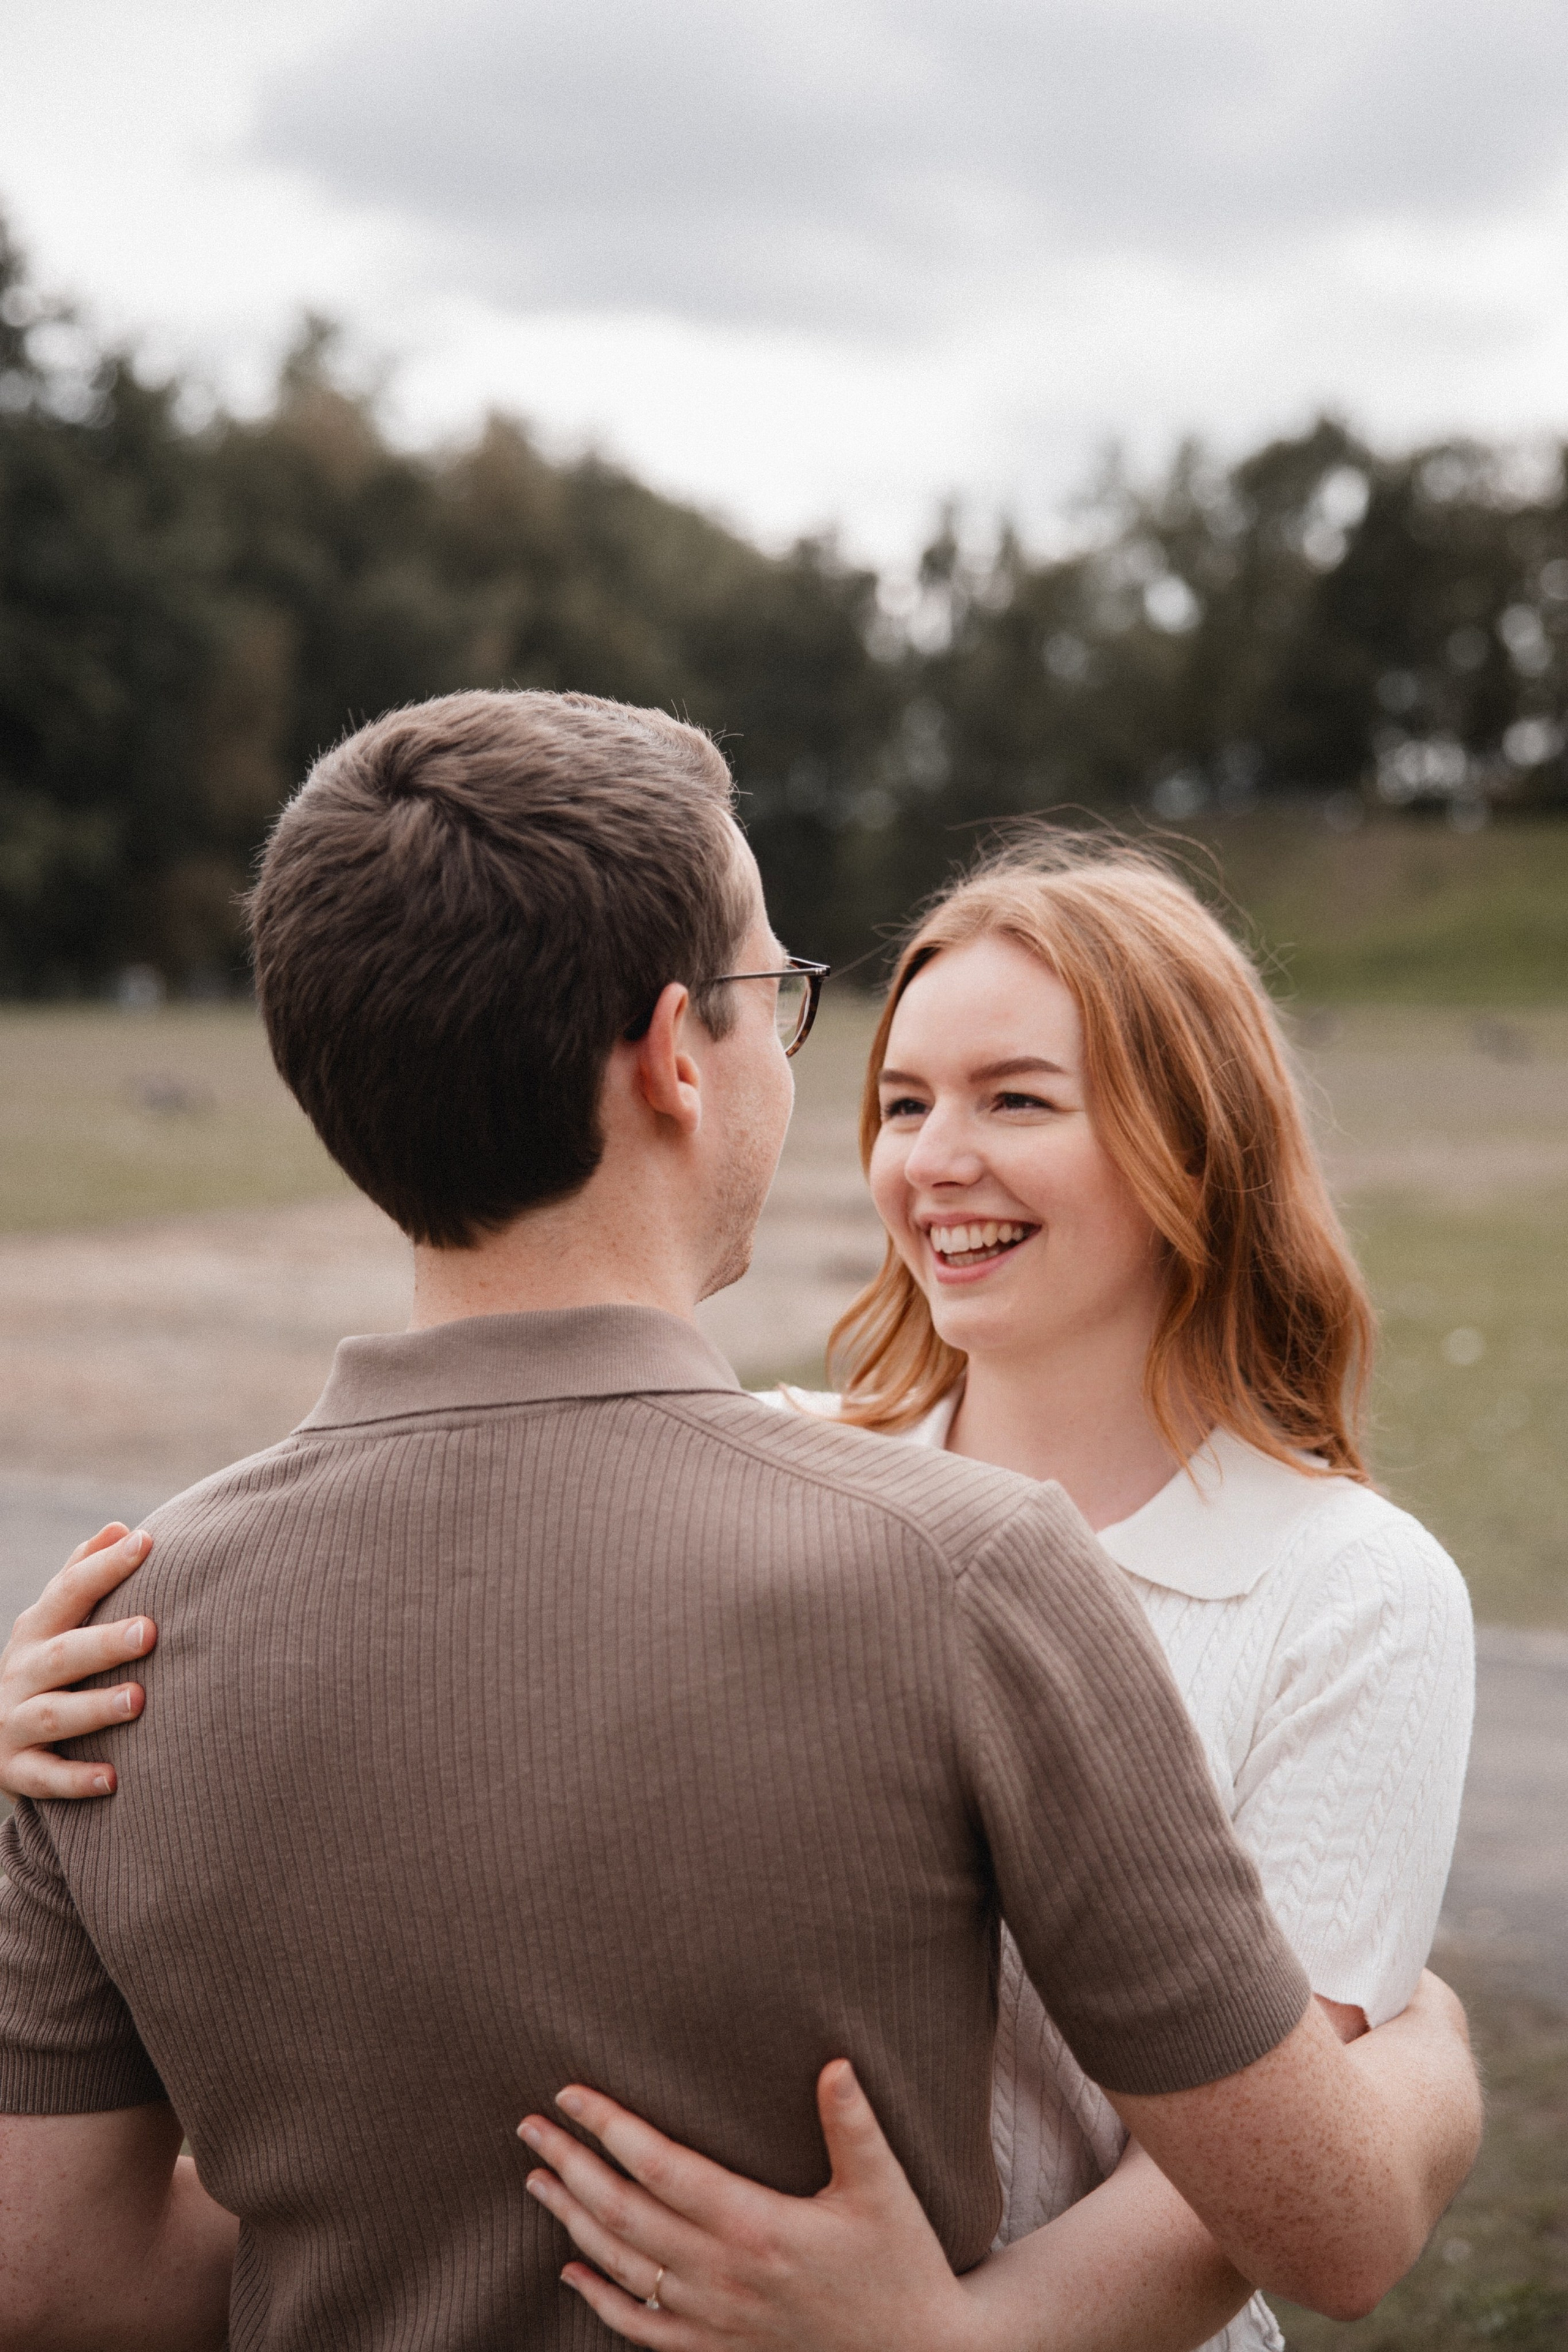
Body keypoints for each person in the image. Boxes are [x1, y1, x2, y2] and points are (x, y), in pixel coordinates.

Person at [0, 707, 1477, 2352]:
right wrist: (1429, 2049)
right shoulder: (969, 1568)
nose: (910, 1139)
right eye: (783, 997)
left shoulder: (108, 1644)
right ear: (673, 1057)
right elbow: (1333, 2220)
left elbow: (62, 2287)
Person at [443, 841, 1477, 2352]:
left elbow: (1245, 2177)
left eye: (1015, 1099)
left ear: (1191, 1142)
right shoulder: (771, 1462)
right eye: (905, 1103)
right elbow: (422, 1635)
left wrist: (939, 2338)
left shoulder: (1354, 1592)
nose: (931, 1161)